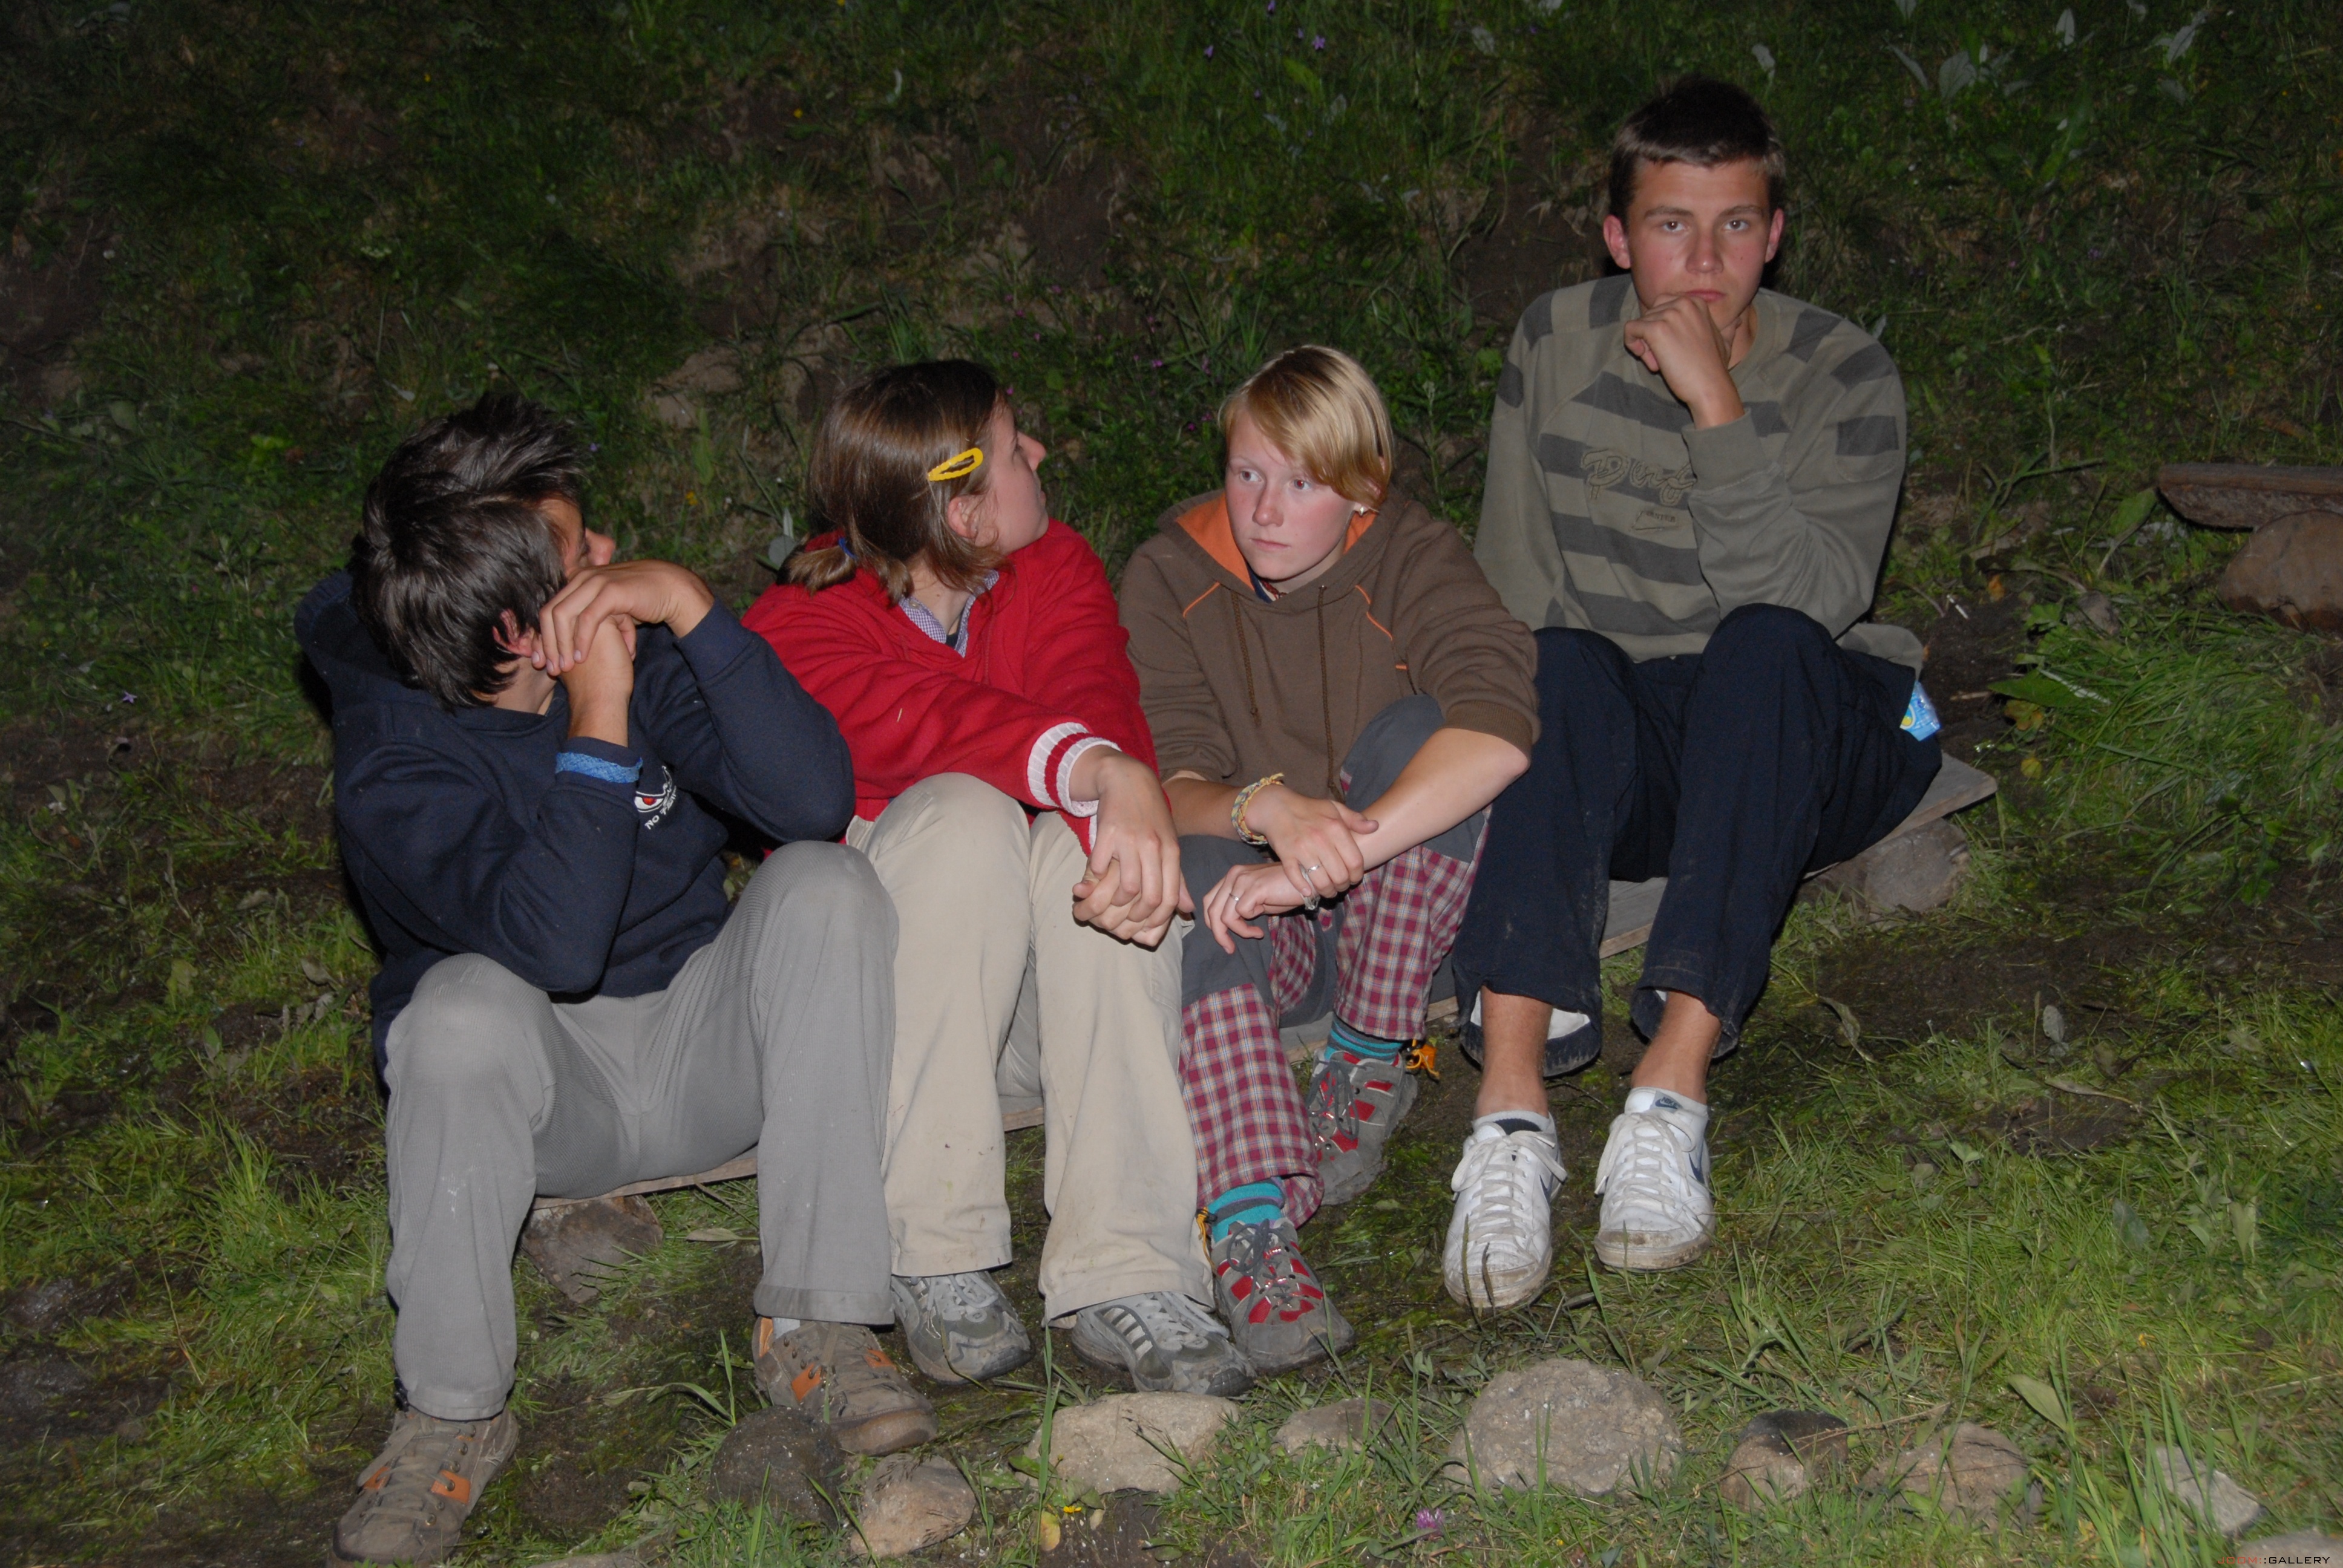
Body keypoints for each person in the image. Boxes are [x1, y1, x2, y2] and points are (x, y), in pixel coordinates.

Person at [298, 395, 927, 1567]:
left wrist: (692, 608)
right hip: (550, 1104)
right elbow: (555, 949)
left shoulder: (643, 639)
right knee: (454, 1013)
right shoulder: (395, 761)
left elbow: (811, 800)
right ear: (518, 630)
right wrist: (598, 715)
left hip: (704, 1047)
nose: (609, 553)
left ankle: (820, 1323)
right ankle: (451, 1413)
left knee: (826, 885)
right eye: (582, 551)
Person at [1453, 76, 1942, 1297]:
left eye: (1736, 226)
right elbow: (1516, 584)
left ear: (1775, 236)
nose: (1705, 262)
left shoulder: (1843, 371)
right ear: (1619, 239)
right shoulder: (1554, 343)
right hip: (1649, 734)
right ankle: (1510, 1119)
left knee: (1763, 645)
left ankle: (1668, 1096)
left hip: (1811, 723)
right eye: (1672, 225)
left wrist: (1718, 407)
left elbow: (1813, 601)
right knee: (1551, 663)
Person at [743, 361, 1249, 1397]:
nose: (1041, 456)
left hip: (1042, 1017)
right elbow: (926, 724)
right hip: (902, 1036)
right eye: (1018, 450)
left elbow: (1090, 687)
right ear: (965, 513)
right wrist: (1094, 766)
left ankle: (1129, 1265)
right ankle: (931, 1246)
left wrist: (1110, 777)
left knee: (1085, 839)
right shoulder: (796, 627)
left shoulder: (1053, 563)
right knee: (964, 813)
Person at [1118, 345, 1538, 1370]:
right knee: (1197, 867)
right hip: (1264, 936)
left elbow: (1497, 727)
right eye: (1247, 473)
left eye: (1302, 484)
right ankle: (1250, 1226)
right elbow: (1168, 776)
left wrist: (1320, 857)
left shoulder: (1410, 554)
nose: (1264, 511)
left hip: (1406, 919)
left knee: (1422, 734)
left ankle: (1365, 1061)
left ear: (1362, 489)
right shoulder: (1170, 574)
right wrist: (1267, 810)